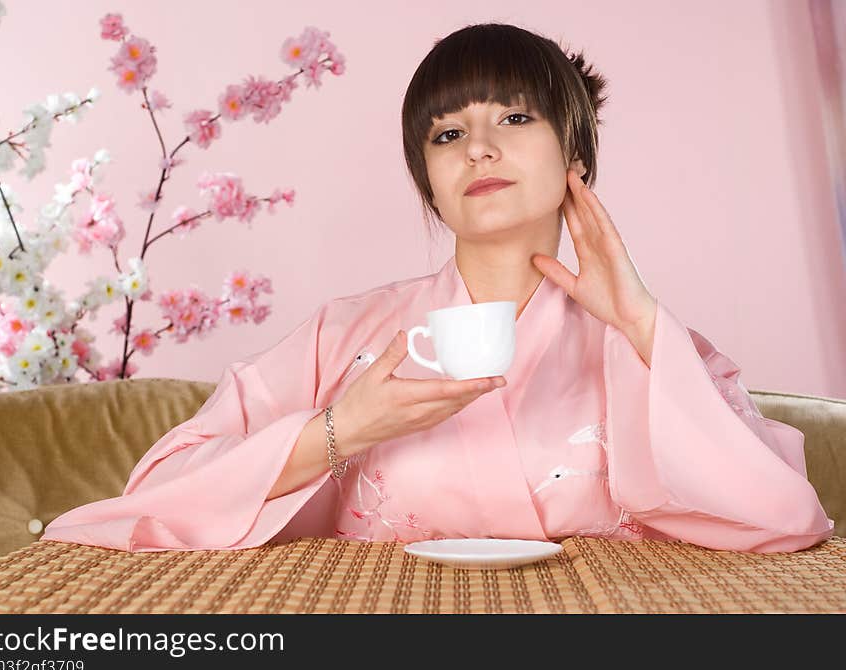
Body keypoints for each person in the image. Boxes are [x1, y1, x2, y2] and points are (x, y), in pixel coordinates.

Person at [41, 22, 834, 554]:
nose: (479, 149)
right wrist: (340, 428)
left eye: (515, 119)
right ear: (430, 182)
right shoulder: (345, 335)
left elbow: (789, 519)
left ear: (575, 162)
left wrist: (638, 322)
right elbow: (156, 491)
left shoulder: (655, 344)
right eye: (448, 135)